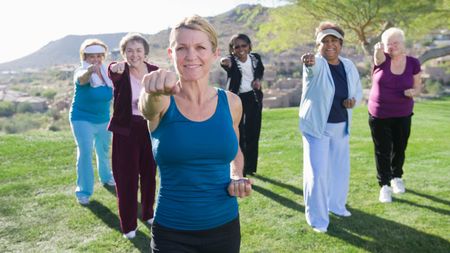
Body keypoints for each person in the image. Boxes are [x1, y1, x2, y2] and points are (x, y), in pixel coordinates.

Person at [138, 15, 252, 252]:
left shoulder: (231, 103)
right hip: (172, 234)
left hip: (225, 229)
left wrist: (236, 174)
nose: (191, 55)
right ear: (171, 54)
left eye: (200, 47)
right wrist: (151, 90)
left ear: (214, 53)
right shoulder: (162, 100)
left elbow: (235, 151)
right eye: (182, 48)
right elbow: (147, 107)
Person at [299, 21, 363, 233]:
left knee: (339, 170)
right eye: (324, 41)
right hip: (317, 128)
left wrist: (353, 101)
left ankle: (336, 205)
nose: (329, 45)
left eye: (333, 40)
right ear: (318, 46)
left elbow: (357, 91)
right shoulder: (315, 64)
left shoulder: (348, 65)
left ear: (341, 43)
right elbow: (311, 68)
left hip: (341, 126)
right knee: (317, 174)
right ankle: (317, 219)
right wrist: (309, 62)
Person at [107, 33, 158, 239]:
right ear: (123, 53)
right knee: (126, 178)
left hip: (150, 128)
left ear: (145, 52)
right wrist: (113, 67)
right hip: (125, 131)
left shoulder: (155, 71)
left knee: (149, 175)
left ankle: (148, 213)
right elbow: (112, 71)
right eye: (129, 50)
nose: (134, 54)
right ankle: (129, 225)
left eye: (138, 50)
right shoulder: (120, 70)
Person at [368, 27, 422, 203]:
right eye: (388, 44)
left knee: (399, 147)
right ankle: (384, 186)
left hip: (403, 113)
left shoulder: (413, 63)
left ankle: (396, 177)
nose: (392, 46)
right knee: (382, 150)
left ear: (402, 43)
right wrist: (378, 50)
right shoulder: (381, 59)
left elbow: (418, 87)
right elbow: (378, 57)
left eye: (395, 42)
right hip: (380, 113)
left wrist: (413, 92)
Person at [70, 39, 115, 206]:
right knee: (85, 152)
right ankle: (83, 191)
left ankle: (106, 177)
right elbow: (81, 79)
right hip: (82, 118)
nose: (95, 59)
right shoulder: (81, 71)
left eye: (99, 56)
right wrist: (89, 71)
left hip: (103, 119)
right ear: (84, 57)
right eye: (91, 56)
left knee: (103, 150)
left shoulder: (106, 74)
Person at [220, 34, 264, 176]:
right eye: (236, 46)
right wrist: (224, 61)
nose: (240, 49)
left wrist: (257, 79)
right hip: (236, 99)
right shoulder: (232, 60)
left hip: (253, 97)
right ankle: (240, 167)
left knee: (253, 131)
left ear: (249, 46)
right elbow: (225, 63)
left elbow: (260, 69)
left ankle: (250, 167)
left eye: (244, 45)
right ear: (232, 49)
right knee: (238, 132)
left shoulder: (255, 58)